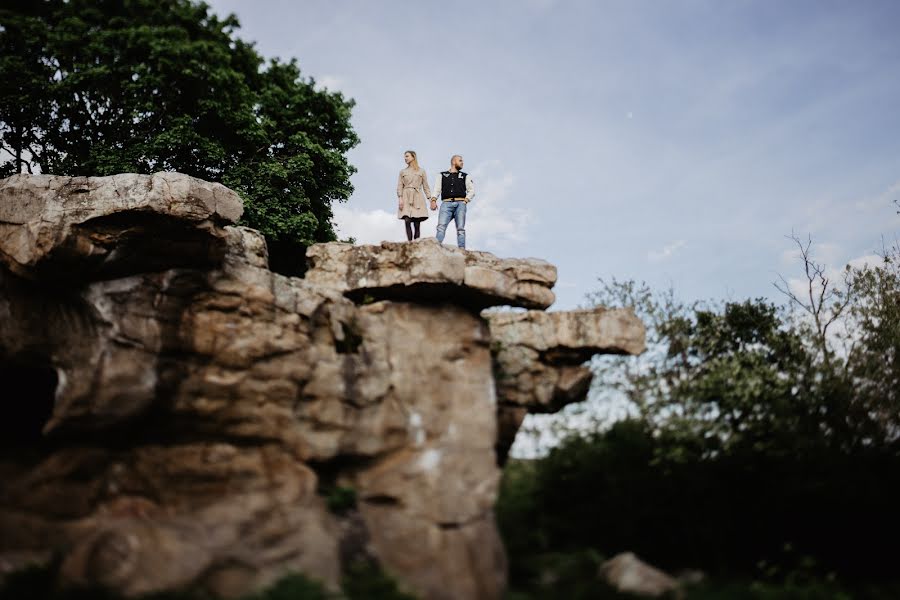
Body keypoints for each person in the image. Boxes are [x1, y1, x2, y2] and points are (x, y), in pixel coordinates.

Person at [430, 154, 474, 249]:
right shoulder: (441, 175)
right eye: (460, 160)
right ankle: (436, 248)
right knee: (441, 226)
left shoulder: (465, 176)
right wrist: (433, 200)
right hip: (446, 203)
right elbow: (437, 189)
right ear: (454, 161)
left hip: (460, 204)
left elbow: (472, 190)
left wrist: (465, 201)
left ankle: (462, 249)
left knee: (460, 229)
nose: (462, 163)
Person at [397, 150, 431, 241]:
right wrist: (400, 198)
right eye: (404, 156)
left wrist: (431, 199)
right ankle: (409, 243)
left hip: (418, 197)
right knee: (407, 220)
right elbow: (400, 186)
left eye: (407, 156)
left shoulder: (422, 171)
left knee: (417, 223)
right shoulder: (402, 172)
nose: (405, 158)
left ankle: (416, 244)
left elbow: (426, 186)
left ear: (413, 157)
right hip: (406, 196)